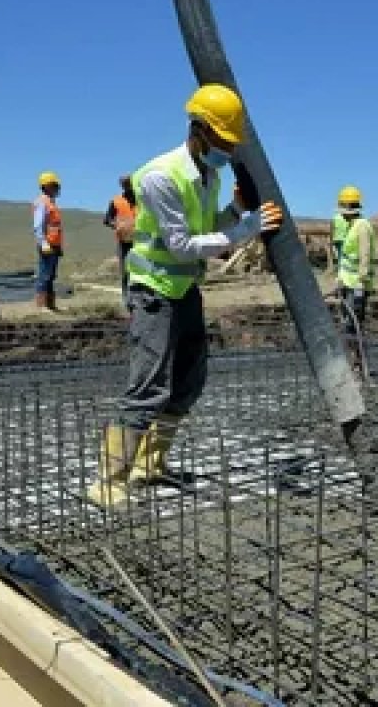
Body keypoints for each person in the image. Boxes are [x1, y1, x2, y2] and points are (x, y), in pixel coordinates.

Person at [87, 84, 285, 509]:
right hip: (153, 291)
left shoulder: (208, 174)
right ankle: (108, 481)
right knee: (147, 386)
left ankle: (148, 465)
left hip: (184, 289)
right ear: (198, 130)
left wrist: (233, 212)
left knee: (190, 379)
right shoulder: (162, 176)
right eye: (222, 141)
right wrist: (246, 229)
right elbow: (181, 244)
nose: (228, 151)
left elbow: (205, 223)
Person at [336, 196, 377, 376]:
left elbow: (365, 255)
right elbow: (345, 258)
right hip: (347, 282)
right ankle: (353, 362)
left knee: (354, 325)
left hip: (357, 285)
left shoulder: (362, 226)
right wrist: (339, 279)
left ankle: (359, 365)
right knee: (347, 324)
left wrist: (361, 282)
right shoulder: (350, 226)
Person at [103, 175, 137, 304]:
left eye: (128, 183)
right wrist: (117, 225)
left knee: (142, 271)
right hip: (123, 241)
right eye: (124, 184)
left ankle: (139, 298)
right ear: (122, 186)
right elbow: (107, 219)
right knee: (125, 272)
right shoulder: (116, 201)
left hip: (141, 242)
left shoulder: (141, 199)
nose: (127, 186)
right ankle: (126, 300)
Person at [32, 172, 64, 311]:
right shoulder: (42, 202)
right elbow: (38, 226)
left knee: (51, 275)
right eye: (55, 185)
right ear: (47, 186)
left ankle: (50, 305)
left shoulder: (51, 203)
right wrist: (43, 243)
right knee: (44, 275)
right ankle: (41, 306)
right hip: (47, 244)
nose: (57, 188)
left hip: (54, 244)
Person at [331, 185, 362, 262]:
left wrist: (331, 240)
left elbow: (332, 229)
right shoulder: (356, 217)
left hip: (337, 239)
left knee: (341, 256)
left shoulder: (335, 217)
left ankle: (342, 267)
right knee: (347, 256)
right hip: (347, 239)